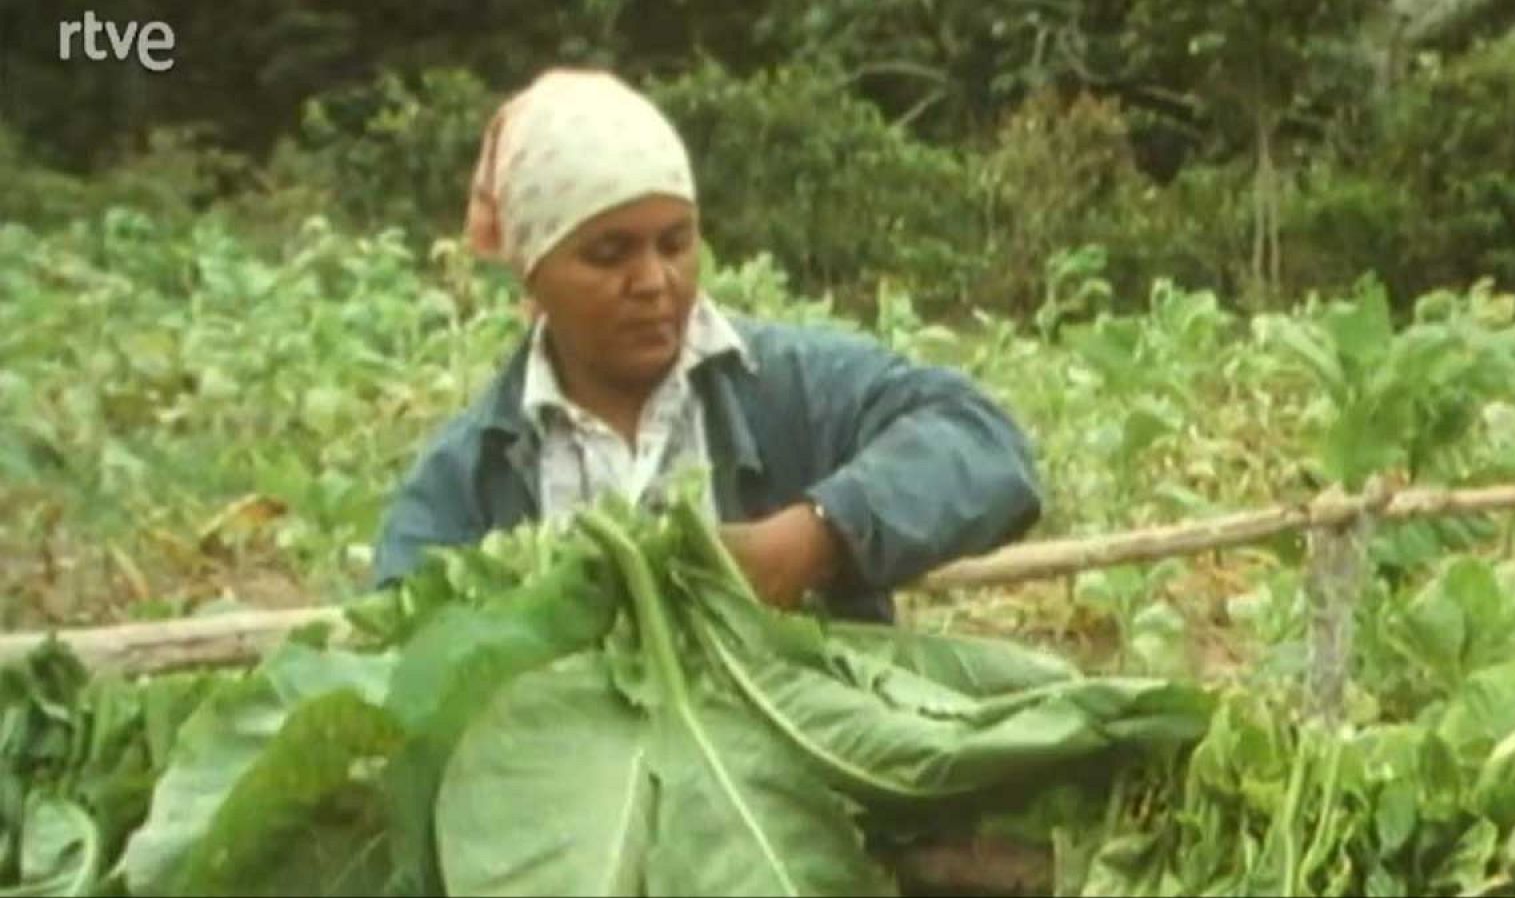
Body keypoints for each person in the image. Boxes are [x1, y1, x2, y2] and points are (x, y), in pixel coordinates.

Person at [371, 68, 1041, 623]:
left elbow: (984, 444)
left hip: (812, 772)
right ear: (532, 270)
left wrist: (818, 535)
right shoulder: (469, 477)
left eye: (675, 242)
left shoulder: (792, 387)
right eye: (609, 254)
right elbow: (399, 647)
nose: (654, 282)